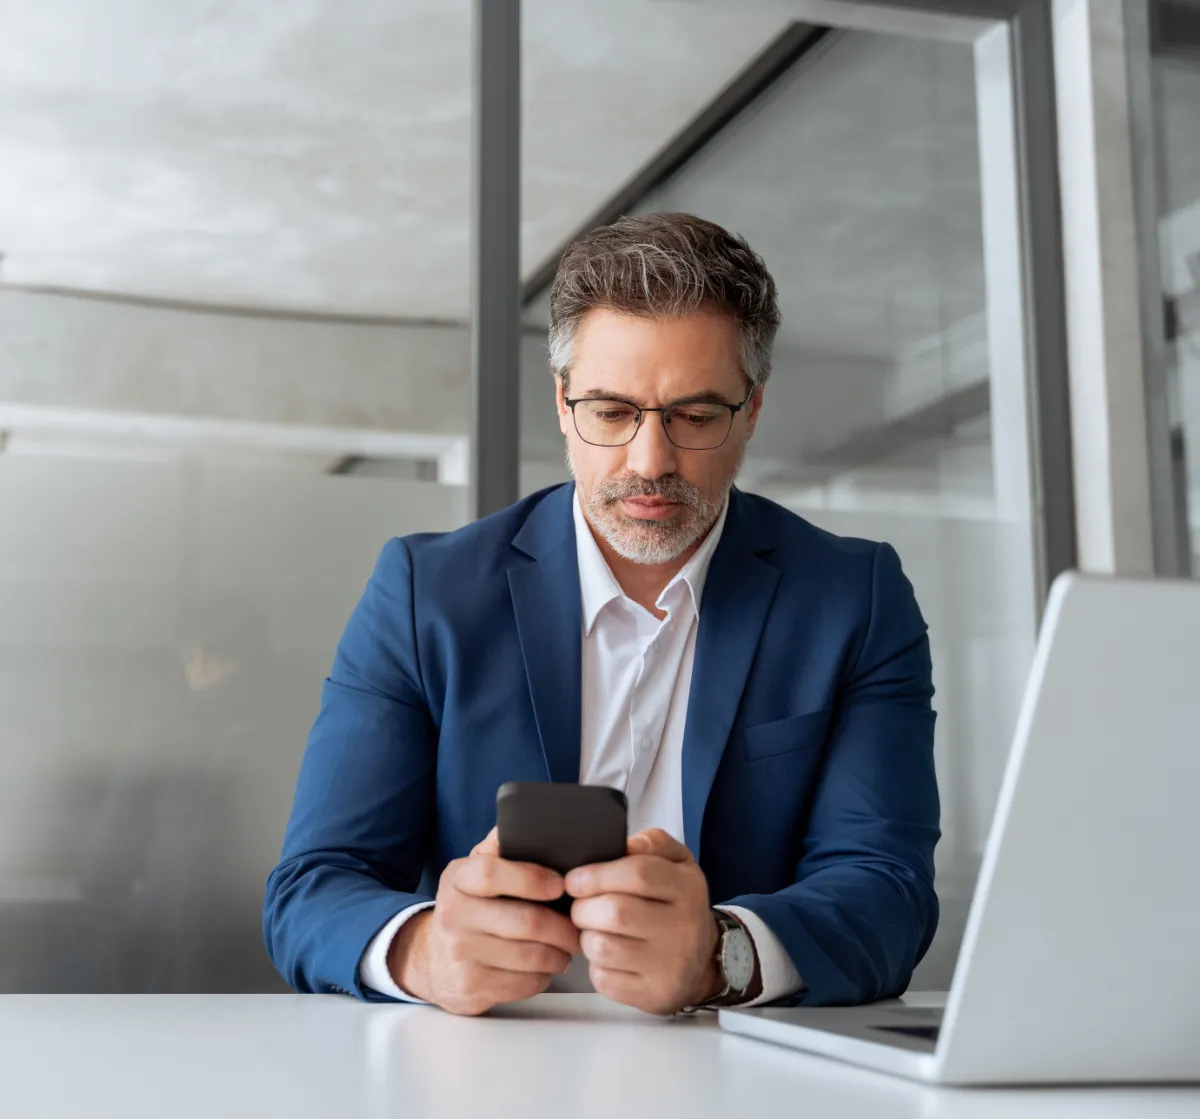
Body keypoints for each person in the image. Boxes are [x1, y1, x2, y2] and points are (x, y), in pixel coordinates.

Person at [264, 213, 940, 1017]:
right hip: (481, 1065)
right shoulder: (426, 593)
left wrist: (720, 955)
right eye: (612, 412)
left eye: (695, 416)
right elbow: (312, 886)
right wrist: (426, 951)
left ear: (752, 408)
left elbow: (887, 891)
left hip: (739, 1065)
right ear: (561, 402)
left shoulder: (852, 597)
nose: (650, 461)